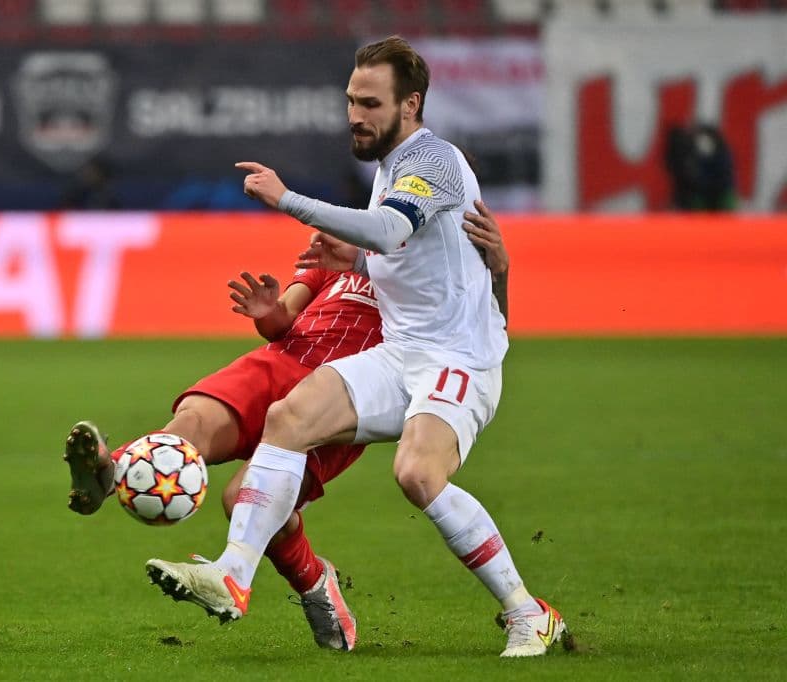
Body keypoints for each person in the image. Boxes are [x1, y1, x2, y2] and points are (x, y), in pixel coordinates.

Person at [144, 35, 564, 658]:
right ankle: (232, 574)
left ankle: (528, 613)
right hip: (402, 351)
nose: (354, 115)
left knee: (417, 473)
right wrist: (359, 261)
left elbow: (392, 230)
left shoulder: (435, 160)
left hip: (458, 359)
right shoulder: (392, 167)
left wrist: (288, 201)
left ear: (410, 104)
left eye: (370, 103)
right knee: (289, 417)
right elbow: (414, 259)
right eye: (351, 100)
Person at [65, 204, 509, 653]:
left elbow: (488, 333)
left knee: (242, 499)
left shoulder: (443, 271)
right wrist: (267, 312)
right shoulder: (345, 249)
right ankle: (112, 471)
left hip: (343, 399)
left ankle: (315, 583)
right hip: (285, 361)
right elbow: (284, 321)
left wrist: (499, 271)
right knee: (194, 420)